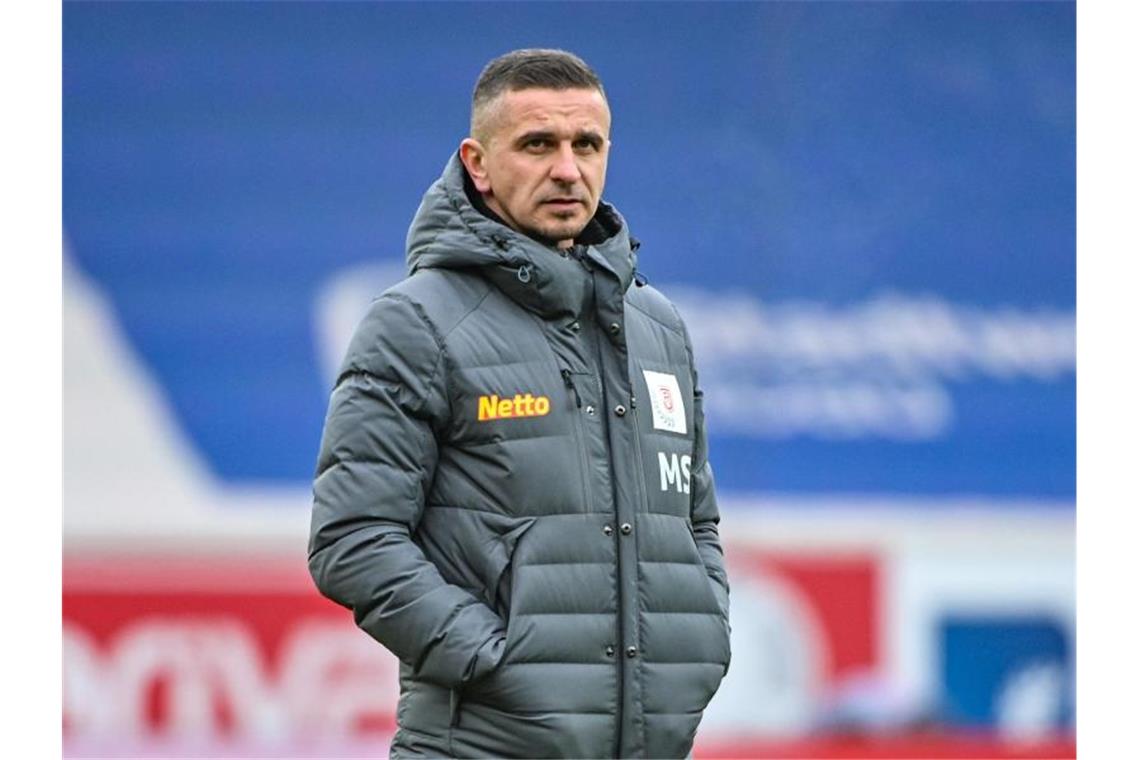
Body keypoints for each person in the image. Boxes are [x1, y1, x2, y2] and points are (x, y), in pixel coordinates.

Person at [308, 48, 730, 759]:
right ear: (477, 162)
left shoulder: (659, 326)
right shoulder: (415, 323)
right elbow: (352, 540)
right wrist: (500, 662)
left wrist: (703, 640)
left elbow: (696, 521)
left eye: (586, 144)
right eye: (538, 143)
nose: (567, 168)